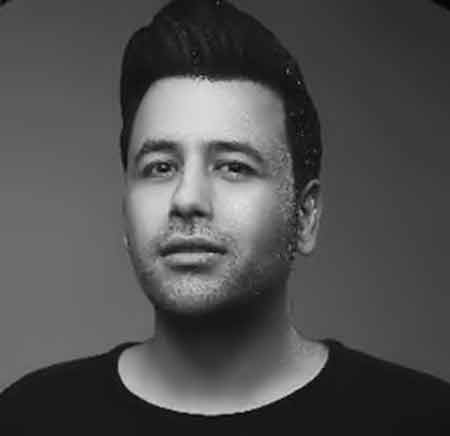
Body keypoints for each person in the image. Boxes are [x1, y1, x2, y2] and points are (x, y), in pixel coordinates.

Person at [1, 0, 449, 434]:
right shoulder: (29, 418)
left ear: (306, 215)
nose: (187, 198)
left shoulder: (424, 419)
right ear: (125, 212)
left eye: (234, 167)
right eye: (160, 167)